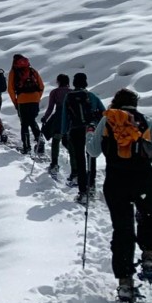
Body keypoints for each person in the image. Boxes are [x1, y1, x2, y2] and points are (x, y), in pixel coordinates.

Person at [87, 88, 152, 303]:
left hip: (115, 182)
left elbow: (93, 152)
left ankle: (125, 284)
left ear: (116, 102)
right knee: (149, 218)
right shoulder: (147, 122)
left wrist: (89, 136)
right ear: (135, 104)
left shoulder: (107, 121)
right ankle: (149, 257)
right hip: (145, 180)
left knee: (122, 229)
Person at [64, 72, 104, 204]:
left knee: (80, 160)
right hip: (90, 130)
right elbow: (103, 113)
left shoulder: (69, 97)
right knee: (91, 156)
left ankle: (82, 191)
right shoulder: (91, 96)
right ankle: (91, 185)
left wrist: (64, 132)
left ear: (74, 83)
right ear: (85, 83)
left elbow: (65, 117)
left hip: (75, 131)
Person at [7, 53, 45, 155]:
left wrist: (16, 101)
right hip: (35, 99)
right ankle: (40, 140)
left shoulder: (14, 72)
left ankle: (26, 147)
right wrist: (37, 97)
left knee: (24, 124)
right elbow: (41, 86)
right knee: (32, 120)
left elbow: (10, 89)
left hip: (22, 100)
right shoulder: (32, 70)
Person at [38, 73, 71, 173]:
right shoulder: (72, 92)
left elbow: (50, 108)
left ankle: (54, 164)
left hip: (58, 118)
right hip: (70, 119)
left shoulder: (55, 92)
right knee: (68, 140)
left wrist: (45, 118)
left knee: (56, 140)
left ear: (59, 81)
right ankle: (76, 163)